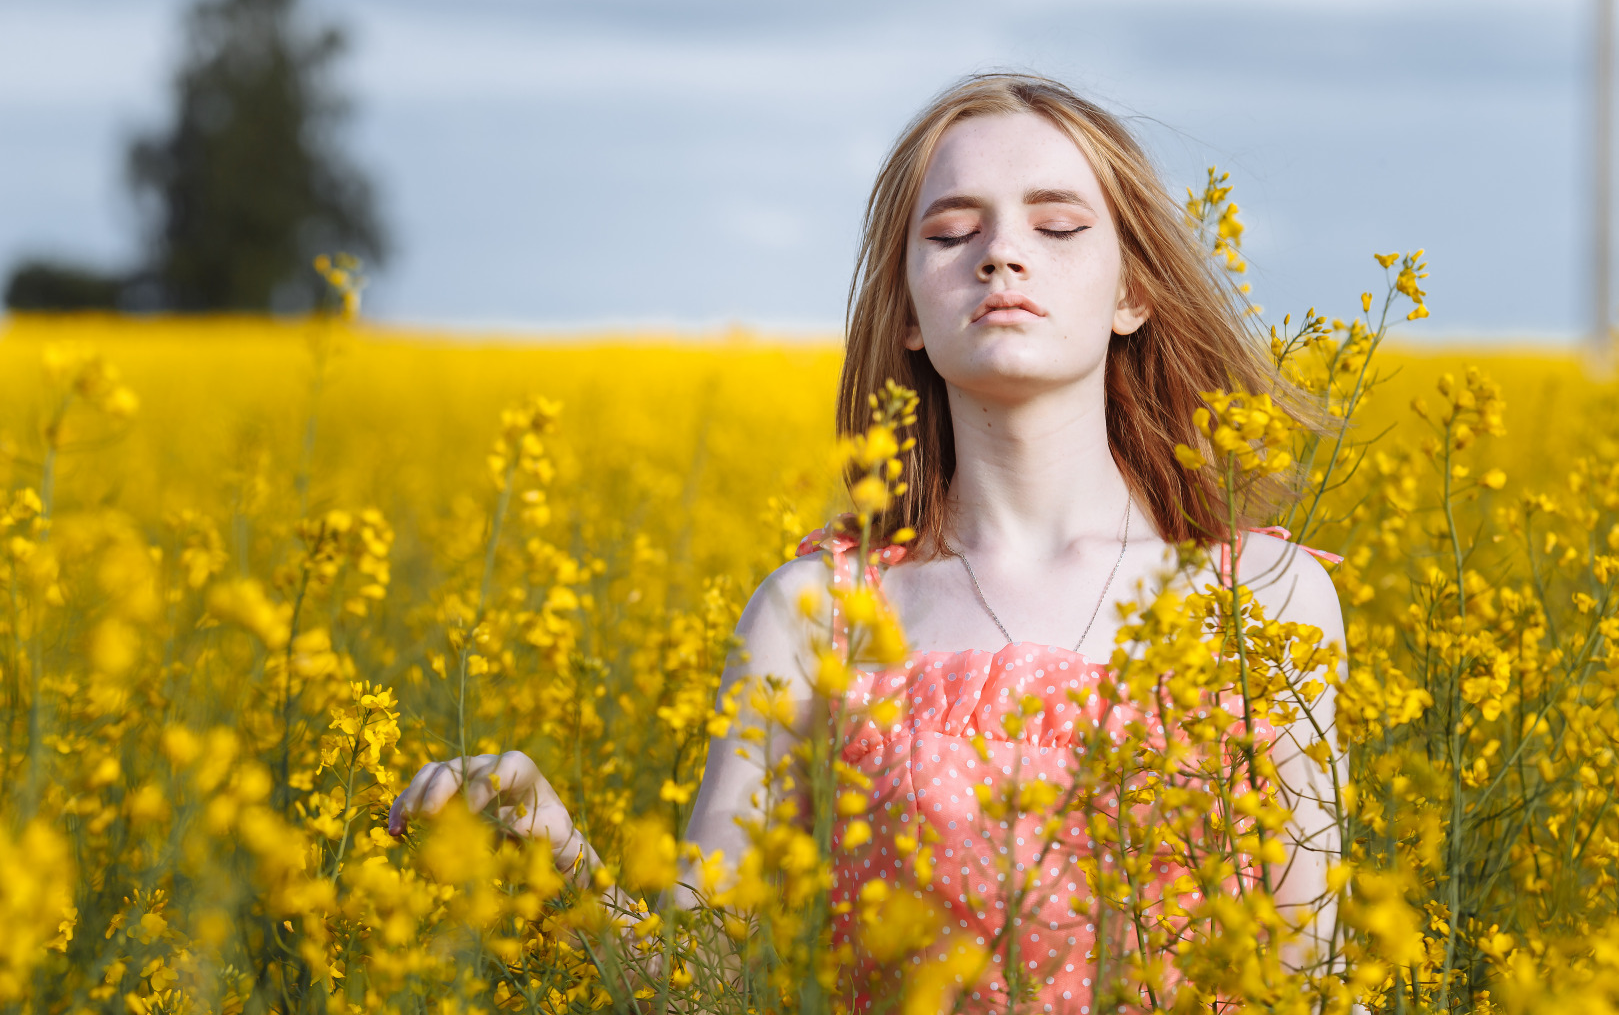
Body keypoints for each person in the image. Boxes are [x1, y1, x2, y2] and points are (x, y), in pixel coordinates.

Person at [386, 73, 1345, 1011]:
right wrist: (563, 871)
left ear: (1133, 292)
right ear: (912, 314)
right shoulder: (815, 617)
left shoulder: (1268, 597)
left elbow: (1315, 982)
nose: (1000, 254)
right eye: (951, 232)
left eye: (1056, 227)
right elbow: (704, 987)